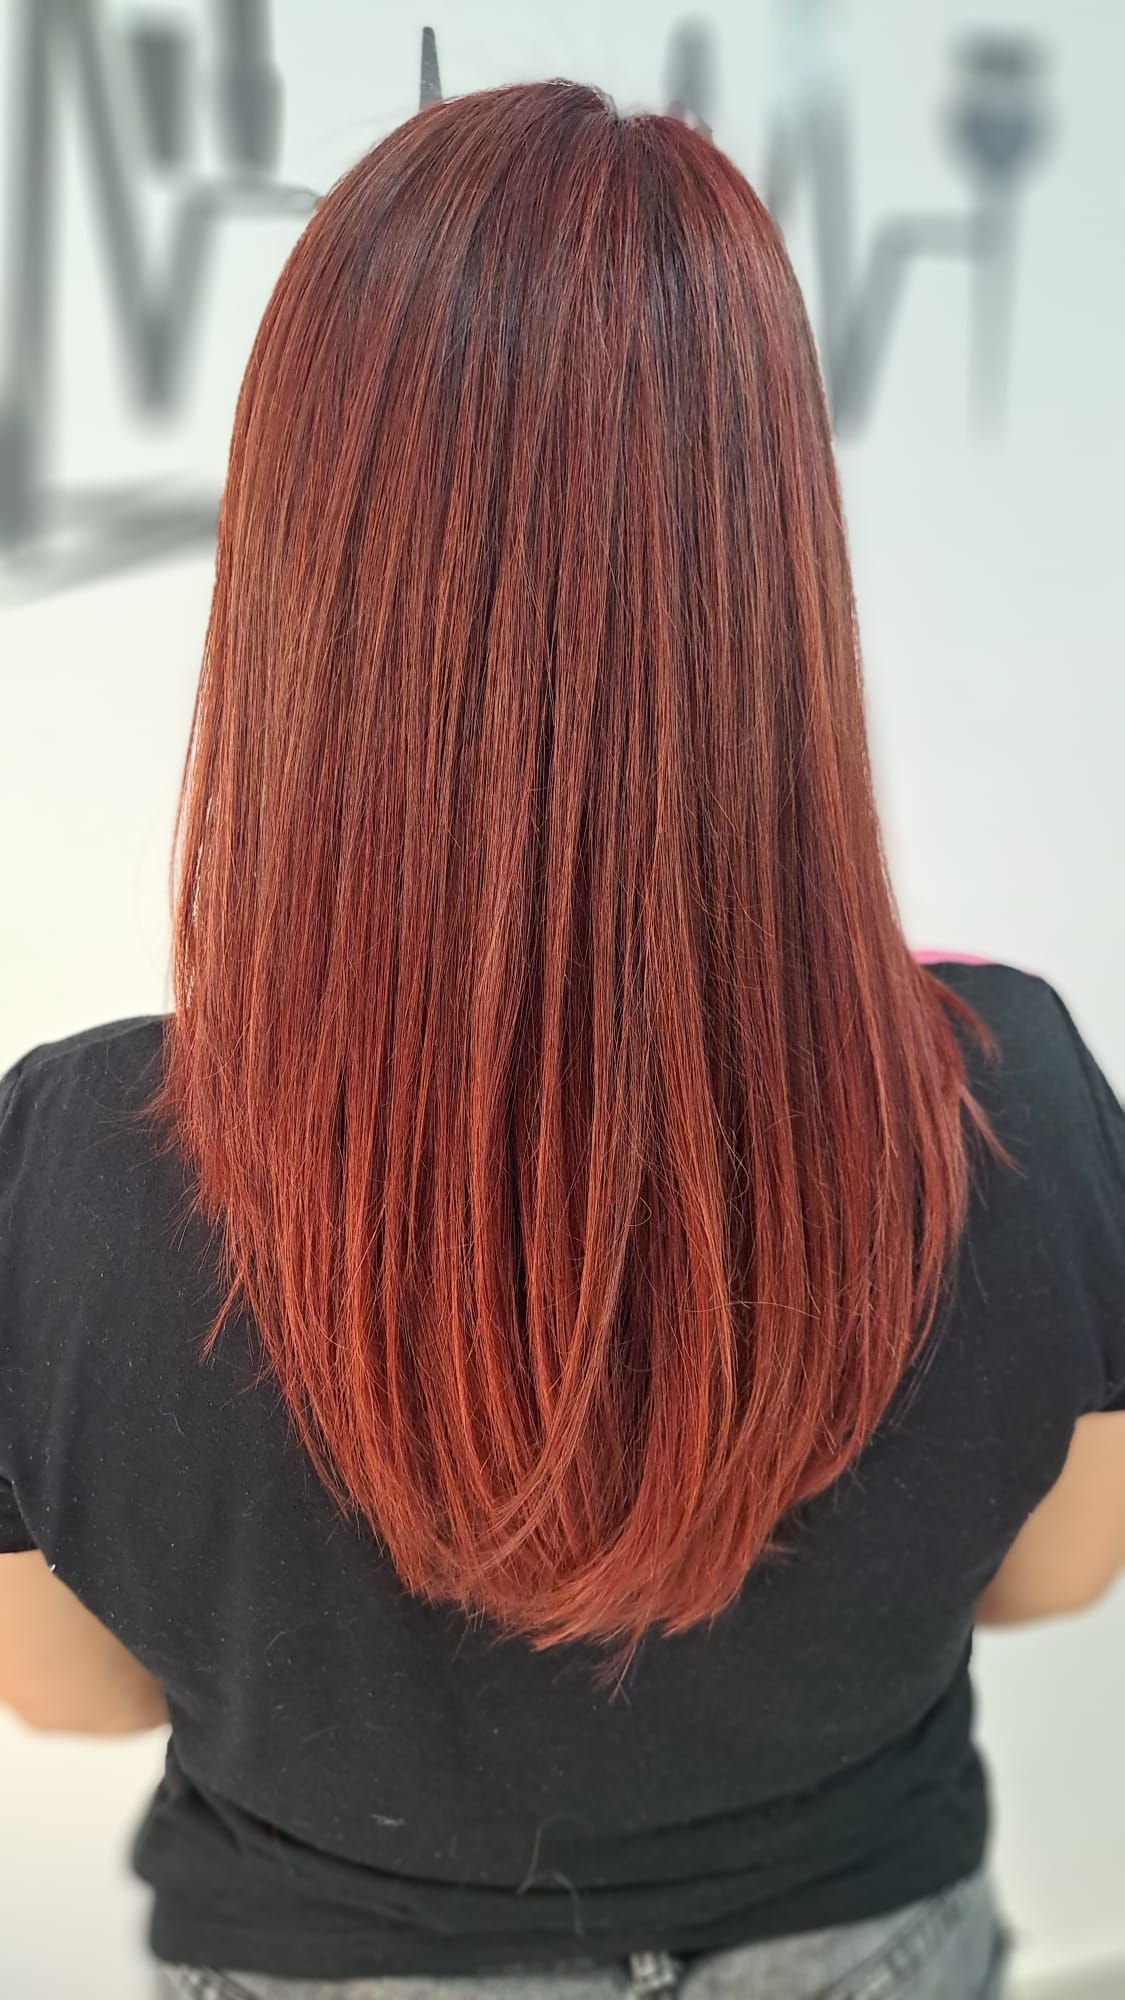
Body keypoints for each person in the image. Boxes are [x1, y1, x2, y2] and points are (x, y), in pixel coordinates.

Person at [1, 79, 1123, 2000]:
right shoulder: (1002, 1098)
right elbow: (1055, 1577)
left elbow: (74, 1700)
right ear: (764, 554)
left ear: (305, 567)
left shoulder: (73, 1167)